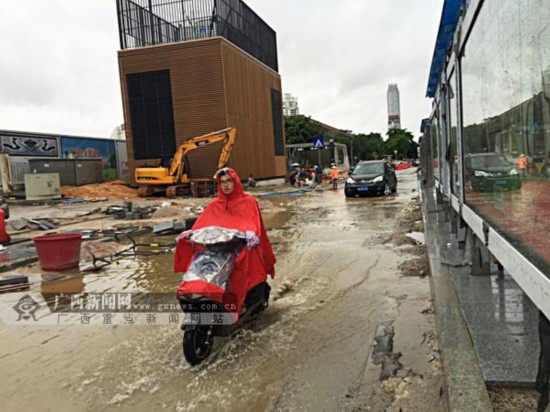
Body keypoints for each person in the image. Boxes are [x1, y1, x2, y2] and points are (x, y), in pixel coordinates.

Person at [174, 167, 276, 315]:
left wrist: (251, 234)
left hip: (241, 248)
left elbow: (254, 223)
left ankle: (243, 305)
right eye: (222, 182)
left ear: (236, 182)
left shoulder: (248, 202)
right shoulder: (214, 205)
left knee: (246, 263)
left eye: (229, 181)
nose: (226, 185)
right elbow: (203, 224)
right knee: (201, 265)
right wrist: (190, 233)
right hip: (218, 249)